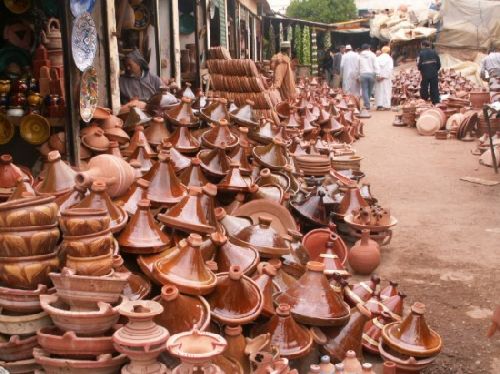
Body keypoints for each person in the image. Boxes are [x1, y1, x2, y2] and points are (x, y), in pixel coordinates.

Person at [359, 43, 379, 110]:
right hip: (371, 74)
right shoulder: (373, 55)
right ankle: (367, 104)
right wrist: (377, 73)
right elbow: (376, 64)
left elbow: (357, 66)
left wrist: (357, 75)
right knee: (370, 90)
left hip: (363, 74)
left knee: (364, 90)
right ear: (368, 48)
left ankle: (366, 104)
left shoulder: (359, 56)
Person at [375, 46, 394, 110]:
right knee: (386, 91)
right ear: (388, 51)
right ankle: (386, 106)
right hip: (386, 78)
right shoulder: (389, 59)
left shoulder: (378, 58)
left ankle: (379, 105)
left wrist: (378, 76)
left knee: (379, 91)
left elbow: (375, 68)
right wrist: (385, 76)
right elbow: (390, 69)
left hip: (379, 78)